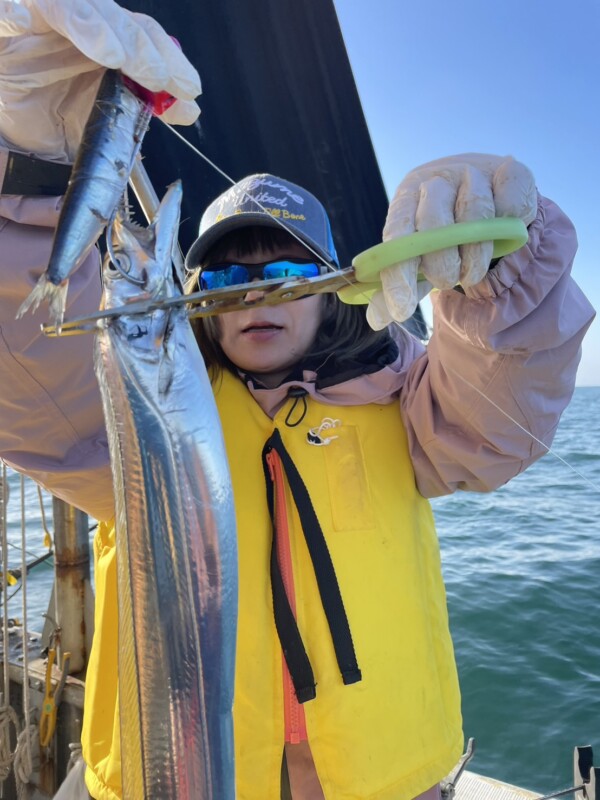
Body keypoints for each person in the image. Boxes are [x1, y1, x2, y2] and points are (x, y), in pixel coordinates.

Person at [0, 2, 594, 799]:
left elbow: (504, 417)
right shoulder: (135, 410)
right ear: (193, 299)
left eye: (284, 273)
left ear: (329, 289)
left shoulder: (410, 402)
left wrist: (498, 290)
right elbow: (28, 370)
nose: (254, 295)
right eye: (223, 276)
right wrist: (26, 174)